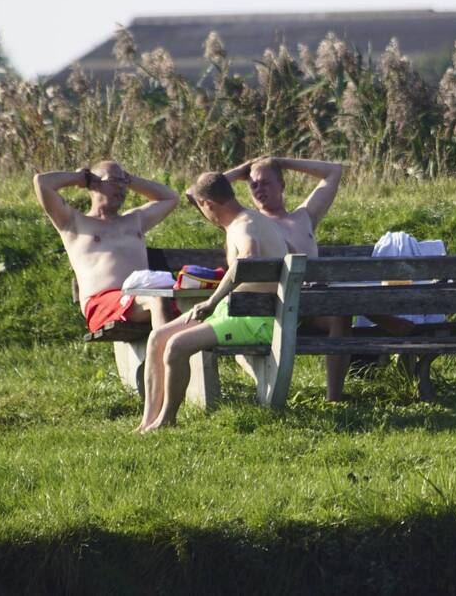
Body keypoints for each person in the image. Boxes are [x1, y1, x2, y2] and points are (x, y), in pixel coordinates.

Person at [138, 172, 288, 432]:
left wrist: (212, 300)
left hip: (255, 318)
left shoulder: (244, 226)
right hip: (235, 312)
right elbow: (199, 193)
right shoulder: (247, 219)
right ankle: (147, 422)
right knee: (157, 338)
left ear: (208, 204)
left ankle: (167, 420)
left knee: (176, 346)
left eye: (201, 206)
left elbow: (249, 256)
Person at [222, 157, 356, 400]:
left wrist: (281, 161)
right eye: (253, 185)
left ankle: (334, 397)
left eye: (266, 183)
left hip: (312, 305)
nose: (259, 189)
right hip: (272, 308)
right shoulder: (248, 222)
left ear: (282, 184)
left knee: (343, 313)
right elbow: (199, 195)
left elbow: (334, 171)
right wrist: (239, 172)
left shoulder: (303, 217)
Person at [33, 161, 179, 332]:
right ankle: (165, 356)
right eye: (114, 181)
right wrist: (79, 178)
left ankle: (172, 355)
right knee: (157, 299)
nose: (122, 188)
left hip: (142, 296)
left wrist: (130, 179)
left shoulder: (134, 220)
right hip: (101, 302)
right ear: (94, 183)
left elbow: (171, 197)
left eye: (123, 182)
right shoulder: (73, 223)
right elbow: (42, 182)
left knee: (190, 303)